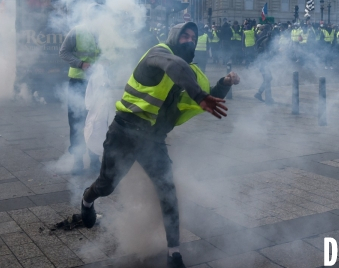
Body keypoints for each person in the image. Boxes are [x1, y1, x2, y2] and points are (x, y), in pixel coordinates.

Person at [79, 22, 240, 268]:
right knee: (107, 185)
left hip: (153, 141)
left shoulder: (192, 73)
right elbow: (173, 65)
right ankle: (87, 200)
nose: (189, 40)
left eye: (193, 37)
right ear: (174, 37)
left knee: (167, 193)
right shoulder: (157, 54)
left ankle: (174, 253)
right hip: (124, 131)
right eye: (184, 35)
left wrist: (225, 83)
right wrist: (199, 95)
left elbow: (208, 96)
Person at [59, 25, 100, 174]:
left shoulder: (107, 31)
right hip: (78, 82)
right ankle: (78, 161)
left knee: (96, 121)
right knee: (77, 121)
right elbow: (63, 52)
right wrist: (81, 64)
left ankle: (95, 159)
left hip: (98, 83)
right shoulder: (77, 31)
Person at [254, 25, 275, 104]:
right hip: (263, 63)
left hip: (262, 63)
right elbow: (266, 53)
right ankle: (264, 96)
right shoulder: (266, 41)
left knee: (268, 78)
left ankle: (261, 94)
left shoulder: (265, 40)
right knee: (268, 78)